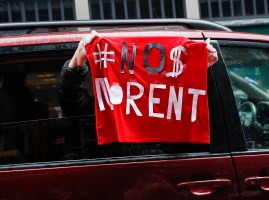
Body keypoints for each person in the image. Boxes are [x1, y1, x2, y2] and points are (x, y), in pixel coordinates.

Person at [58, 33, 218, 155]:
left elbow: (203, 113)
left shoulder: (178, 105)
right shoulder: (108, 105)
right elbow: (71, 100)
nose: (144, 80)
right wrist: (78, 57)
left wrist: (197, 65)